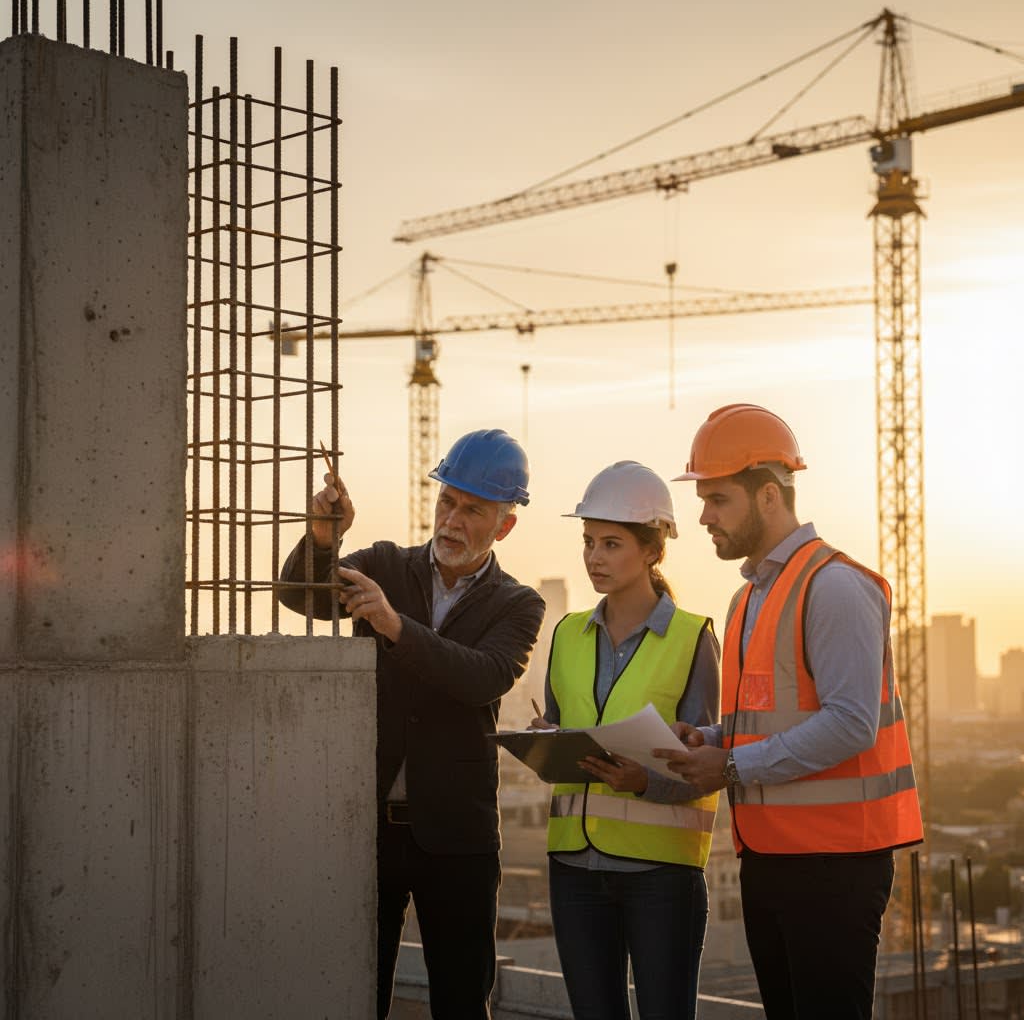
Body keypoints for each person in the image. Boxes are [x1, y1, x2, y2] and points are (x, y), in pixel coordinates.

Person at [653, 404, 924, 1020]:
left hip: (835, 867)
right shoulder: (748, 596)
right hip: (770, 857)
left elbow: (850, 722)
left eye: (717, 499)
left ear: (768, 495)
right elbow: (763, 720)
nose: (703, 517)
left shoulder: (835, 586)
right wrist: (710, 737)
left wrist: (729, 768)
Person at [277, 429, 545, 1020]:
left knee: (460, 1000)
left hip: (458, 838)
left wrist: (394, 625)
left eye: (473, 509)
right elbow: (300, 595)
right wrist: (323, 535)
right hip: (368, 827)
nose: (452, 519)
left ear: (504, 526)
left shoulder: (518, 604)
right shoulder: (381, 564)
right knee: (355, 991)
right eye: (447, 501)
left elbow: (484, 676)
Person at [532, 461, 721, 1020]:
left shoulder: (693, 639)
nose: (594, 557)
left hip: (661, 877)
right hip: (574, 869)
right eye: (588, 542)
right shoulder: (566, 634)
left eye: (611, 544)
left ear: (652, 550)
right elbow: (563, 732)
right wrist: (543, 744)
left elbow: (707, 764)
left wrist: (646, 782)